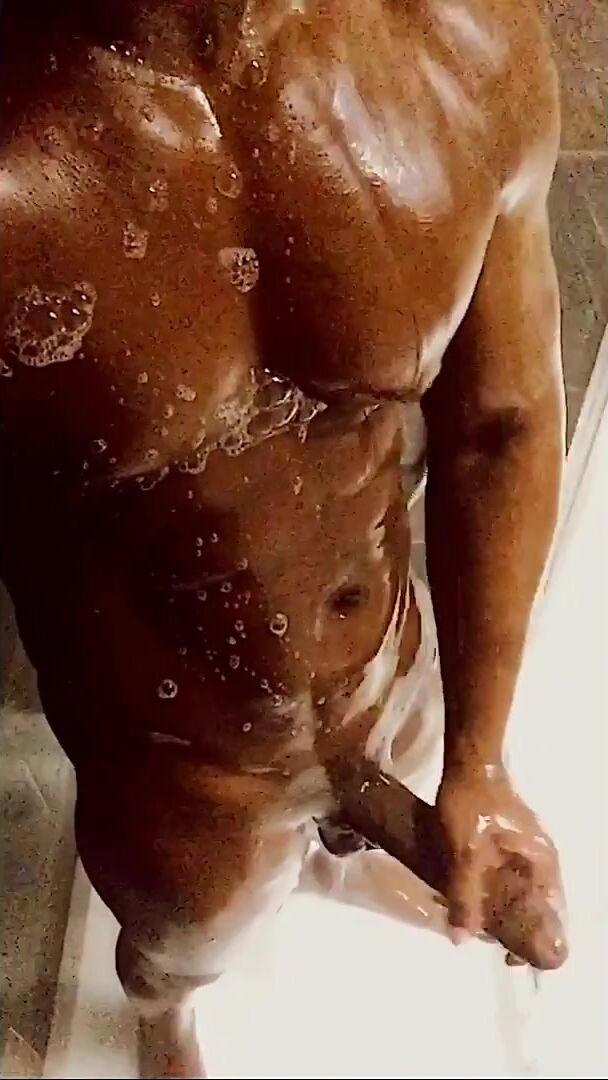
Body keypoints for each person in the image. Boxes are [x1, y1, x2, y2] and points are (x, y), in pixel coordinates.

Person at [0, 1, 566, 1075]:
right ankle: (165, 1017)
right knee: (182, 950)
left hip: (393, 659)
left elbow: (500, 423)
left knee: (378, 792)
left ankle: (332, 856)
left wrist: (480, 757)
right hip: (178, 775)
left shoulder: (453, 36)